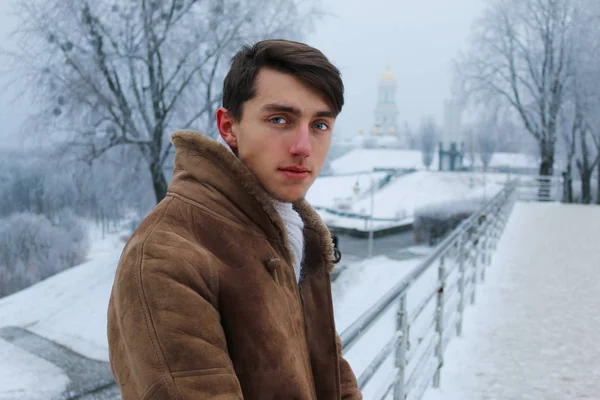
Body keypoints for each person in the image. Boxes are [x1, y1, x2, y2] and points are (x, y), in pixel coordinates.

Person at [107, 39, 361, 399]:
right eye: (279, 119)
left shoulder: (291, 233)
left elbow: (330, 371)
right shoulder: (166, 255)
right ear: (228, 126)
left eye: (320, 125)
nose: (303, 146)